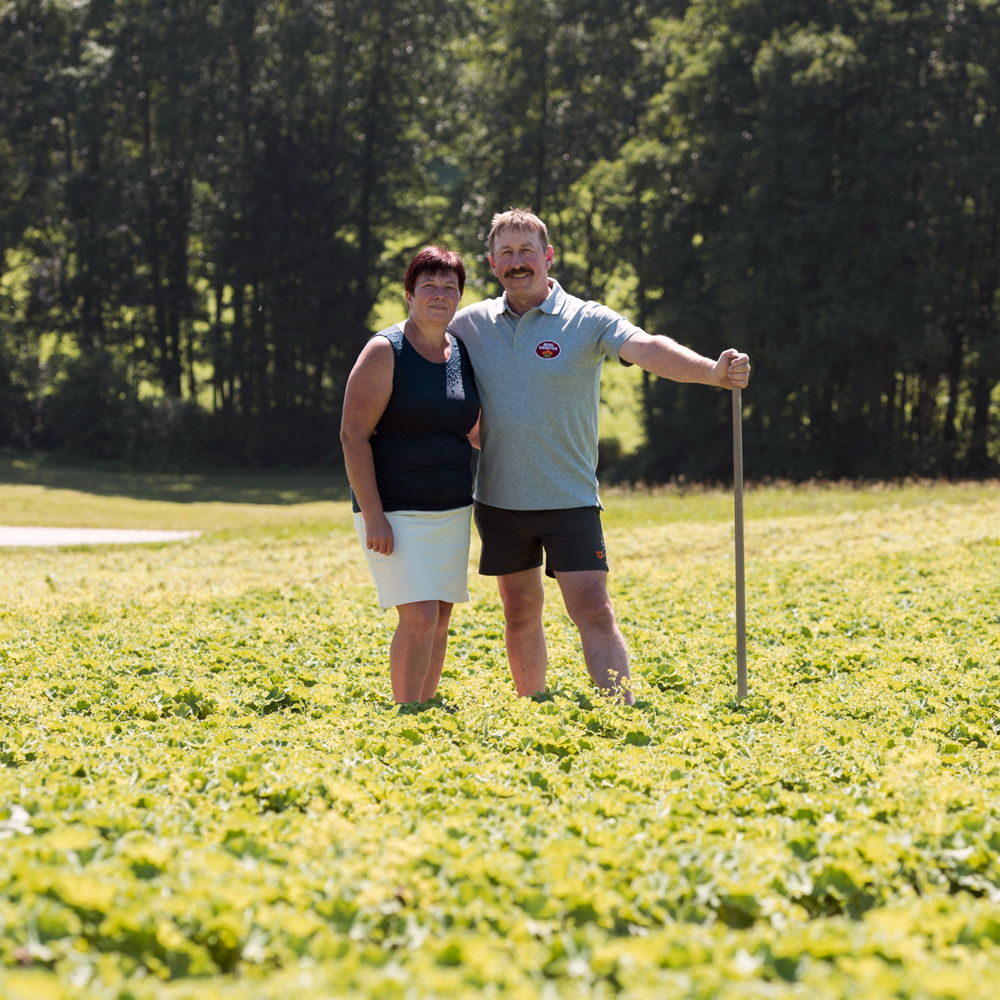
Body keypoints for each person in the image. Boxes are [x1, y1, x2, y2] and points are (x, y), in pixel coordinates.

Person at [449, 209, 751, 706]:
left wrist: (710, 372)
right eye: (506, 253)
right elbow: (418, 348)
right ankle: (533, 707)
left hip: (569, 498)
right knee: (519, 609)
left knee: (592, 608)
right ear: (492, 262)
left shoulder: (587, 318)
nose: (517, 262)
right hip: (499, 498)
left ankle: (621, 711)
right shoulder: (470, 324)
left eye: (527, 251)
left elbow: (648, 348)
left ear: (548, 257)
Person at [341, 246, 480, 704]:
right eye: (429, 286)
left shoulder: (460, 351)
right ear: (409, 294)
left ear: (459, 297)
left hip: (452, 508)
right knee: (418, 615)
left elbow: (471, 428)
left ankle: (425, 706)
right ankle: (406, 715)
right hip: (395, 512)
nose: (439, 295)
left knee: (439, 616)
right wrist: (374, 515)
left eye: (449, 287)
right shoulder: (385, 350)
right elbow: (353, 436)